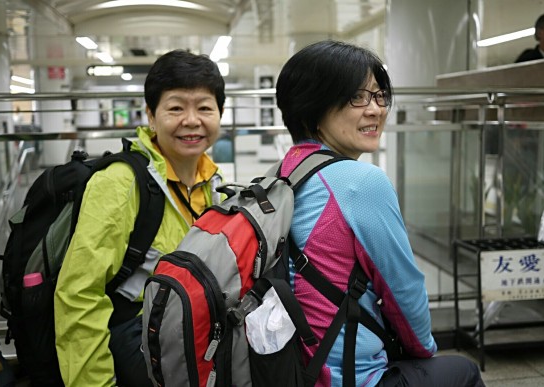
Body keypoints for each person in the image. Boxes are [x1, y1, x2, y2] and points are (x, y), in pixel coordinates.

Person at [275, 40, 485, 387]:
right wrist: (423, 351)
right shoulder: (361, 182)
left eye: (379, 95)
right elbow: (403, 291)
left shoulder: (282, 172)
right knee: (462, 371)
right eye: (357, 97)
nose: (375, 110)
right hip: (349, 379)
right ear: (313, 106)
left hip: (290, 370)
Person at [54, 49, 226, 387]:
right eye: (175, 108)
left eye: (204, 108)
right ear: (150, 116)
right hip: (138, 346)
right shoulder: (120, 182)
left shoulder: (213, 185)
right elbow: (78, 295)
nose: (191, 120)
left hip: (188, 341)